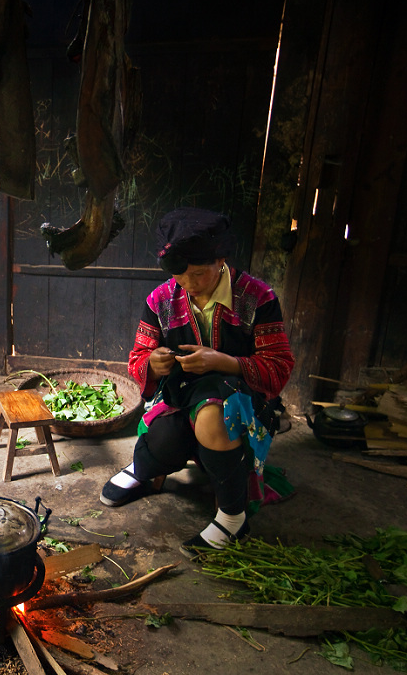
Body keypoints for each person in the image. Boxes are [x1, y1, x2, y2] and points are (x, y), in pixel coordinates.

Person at [99, 207, 295, 557]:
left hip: (241, 399)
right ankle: (144, 469)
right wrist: (154, 363)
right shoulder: (161, 299)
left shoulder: (257, 298)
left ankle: (234, 519)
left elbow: (278, 368)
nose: (189, 284)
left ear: (221, 259)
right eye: (180, 275)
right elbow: (137, 360)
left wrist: (224, 362)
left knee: (212, 414)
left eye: (198, 274)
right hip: (181, 394)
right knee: (165, 437)